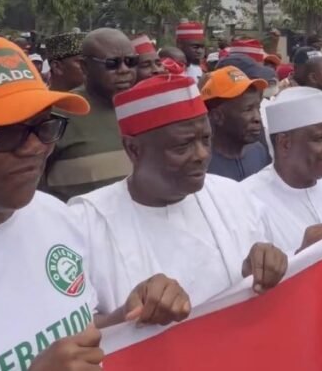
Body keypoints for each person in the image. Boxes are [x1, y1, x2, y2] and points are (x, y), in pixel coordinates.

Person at [0, 35, 188, 371]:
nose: (35, 147)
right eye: (9, 131)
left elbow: (76, 333)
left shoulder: (57, 217)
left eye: (44, 126)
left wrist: (128, 315)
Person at [69, 74, 287, 315]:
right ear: (133, 149)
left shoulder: (234, 196)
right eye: (183, 146)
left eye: (206, 139)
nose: (202, 154)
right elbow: (74, 329)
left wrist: (264, 268)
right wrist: (127, 315)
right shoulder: (87, 224)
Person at [241, 87, 322, 253]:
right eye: (320, 138)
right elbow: (249, 268)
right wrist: (303, 252)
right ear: (285, 144)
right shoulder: (248, 199)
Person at [41, 29, 136, 201]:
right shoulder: (56, 114)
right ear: (85, 67)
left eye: (131, 62)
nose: (124, 70)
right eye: (112, 63)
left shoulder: (144, 108)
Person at [203, 66, 271, 182]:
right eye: (248, 109)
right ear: (217, 116)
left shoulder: (259, 152)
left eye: (258, 108)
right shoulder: (200, 166)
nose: (258, 118)